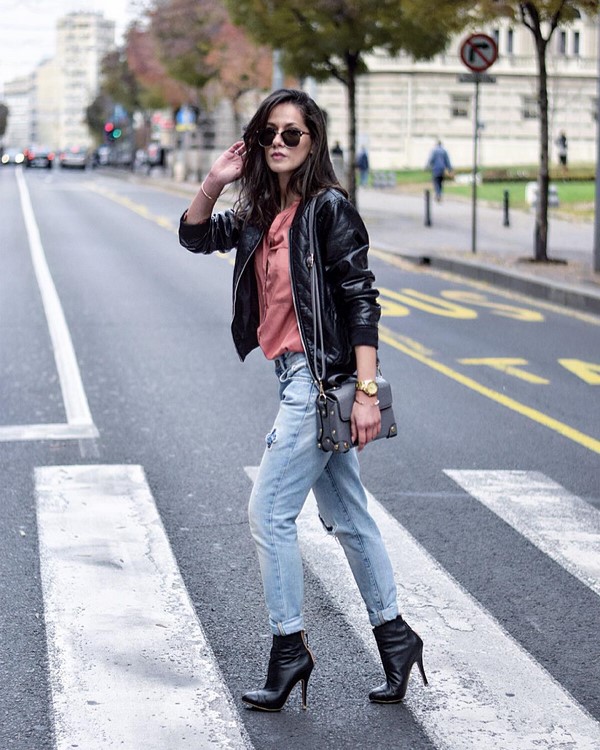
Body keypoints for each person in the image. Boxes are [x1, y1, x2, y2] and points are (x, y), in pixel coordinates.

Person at [178, 88, 427, 712]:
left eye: (292, 133)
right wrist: (215, 180)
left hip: (319, 385)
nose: (279, 143)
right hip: (295, 377)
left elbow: (361, 301)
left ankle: (289, 649)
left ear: (313, 140)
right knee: (349, 516)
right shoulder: (259, 212)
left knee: (268, 514)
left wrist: (366, 393)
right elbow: (195, 236)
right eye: (269, 133)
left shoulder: (328, 209)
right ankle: (396, 639)